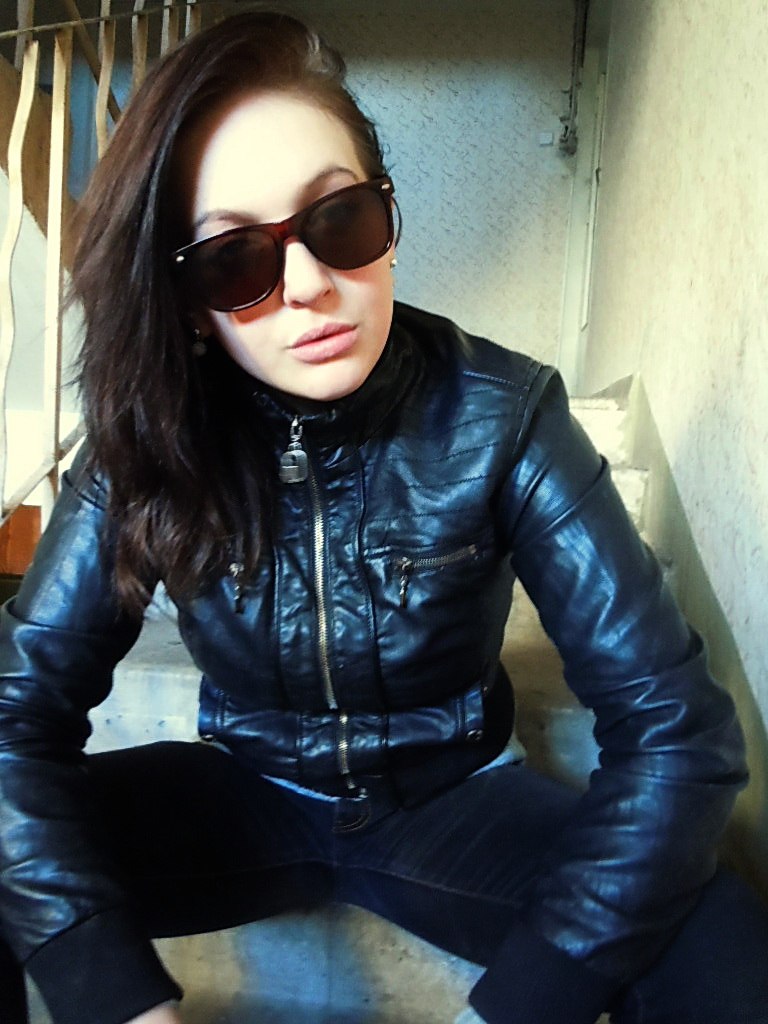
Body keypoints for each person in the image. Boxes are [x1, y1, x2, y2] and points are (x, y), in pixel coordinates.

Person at [0, 11, 767, 1024]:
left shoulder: (504, 416)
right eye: (234, 259)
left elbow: (679, 736)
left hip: (455, 803)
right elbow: (15, 719)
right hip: (246, 791)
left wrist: (515, 1010)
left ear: (388, 216)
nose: (311, 287)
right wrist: (115, 1001)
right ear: (187, 299)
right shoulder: (152, 433)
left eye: (340, 221)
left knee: (722, 942)